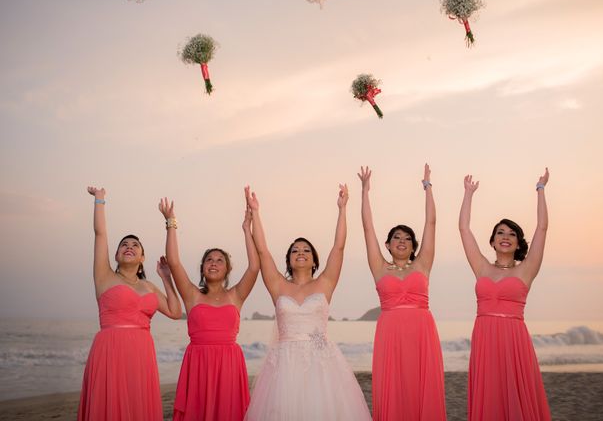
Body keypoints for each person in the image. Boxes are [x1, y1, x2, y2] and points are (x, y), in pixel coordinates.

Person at [243, 184, 371, 421]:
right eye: (295, 250)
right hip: (284, 366)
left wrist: (342, 210)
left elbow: (339, 247)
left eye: (306, 250)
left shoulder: (325, 283)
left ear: (314, 260)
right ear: (289, 260)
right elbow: (263, 252)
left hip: (322, 365)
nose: (300, 252)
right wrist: (256, 214)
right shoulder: (278, 285)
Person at [78, 187, 182, 421]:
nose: (129, 247)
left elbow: (176, 312)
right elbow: (100, 234)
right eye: (124, 244)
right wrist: (100, 200)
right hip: (110, 350)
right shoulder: (104, 276)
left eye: (135, 245)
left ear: (142, 257)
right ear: (115, 255)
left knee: (137, 406)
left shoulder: (150, 287)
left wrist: (166, 278)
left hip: (141, 354)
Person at [459, 168, 552, 421]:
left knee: (516, 396)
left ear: (519, 243)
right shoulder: (481, 267)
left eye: (512, 234)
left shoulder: (526, 270)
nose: (506, 237)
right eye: (500, 232)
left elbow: (542, 229)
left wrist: (540, 190)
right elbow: (464, 230)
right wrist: (468, 194)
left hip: (514, 339)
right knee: (490, 396)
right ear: (492, 241)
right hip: (485, 337)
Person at [158, 191, 260, 421]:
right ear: (203, 267)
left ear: (227, 269)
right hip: (199, 365)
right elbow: (173, 261)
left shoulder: (236, 295)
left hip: (229, 366)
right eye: (209, 260)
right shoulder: (191, 294)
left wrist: (247, 229)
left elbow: (254, 267)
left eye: (219, 260)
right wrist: (171, 222)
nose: (213, 263)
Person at [358, 164, 447, 421]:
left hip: (422, 332)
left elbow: (431, 223)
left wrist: (427, 187)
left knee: (423, 386)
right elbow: (367, 228)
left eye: (407, 238)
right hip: (390, 333)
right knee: (393, 387)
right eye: (396, 237)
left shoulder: (423, 264)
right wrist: (365, 191)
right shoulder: (379, 267)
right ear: (387, 245)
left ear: (413, 246)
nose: (402, 241)